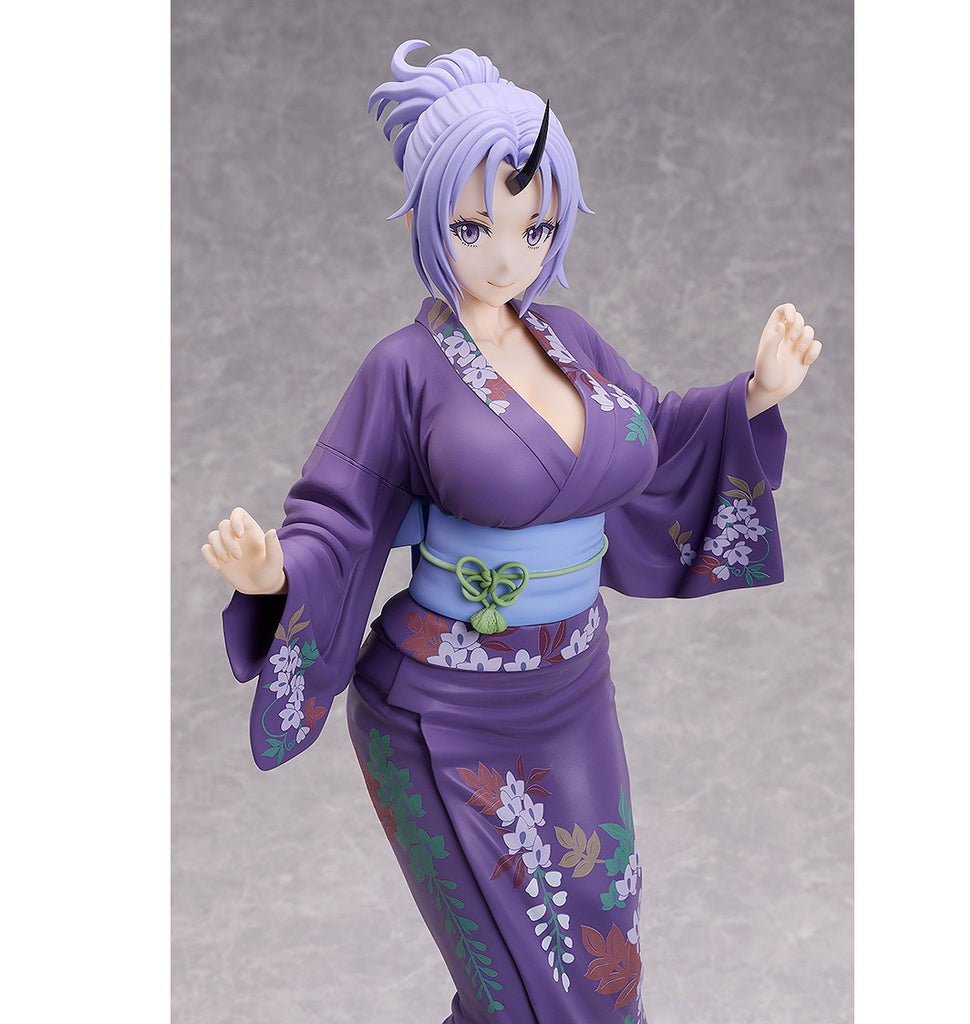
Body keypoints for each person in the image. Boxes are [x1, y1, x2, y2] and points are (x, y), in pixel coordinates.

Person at [200, 39, 821, 1024]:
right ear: (426, 218)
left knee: (603, 959)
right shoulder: (404, 369)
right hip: (444, 707)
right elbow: (338, 512)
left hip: (573, 685)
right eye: (472, 225)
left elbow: (657, 430)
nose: (506, 255)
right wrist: (276, 574)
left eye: (534, 226)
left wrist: (751, 395)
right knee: (523, 989)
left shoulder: (567, 340)